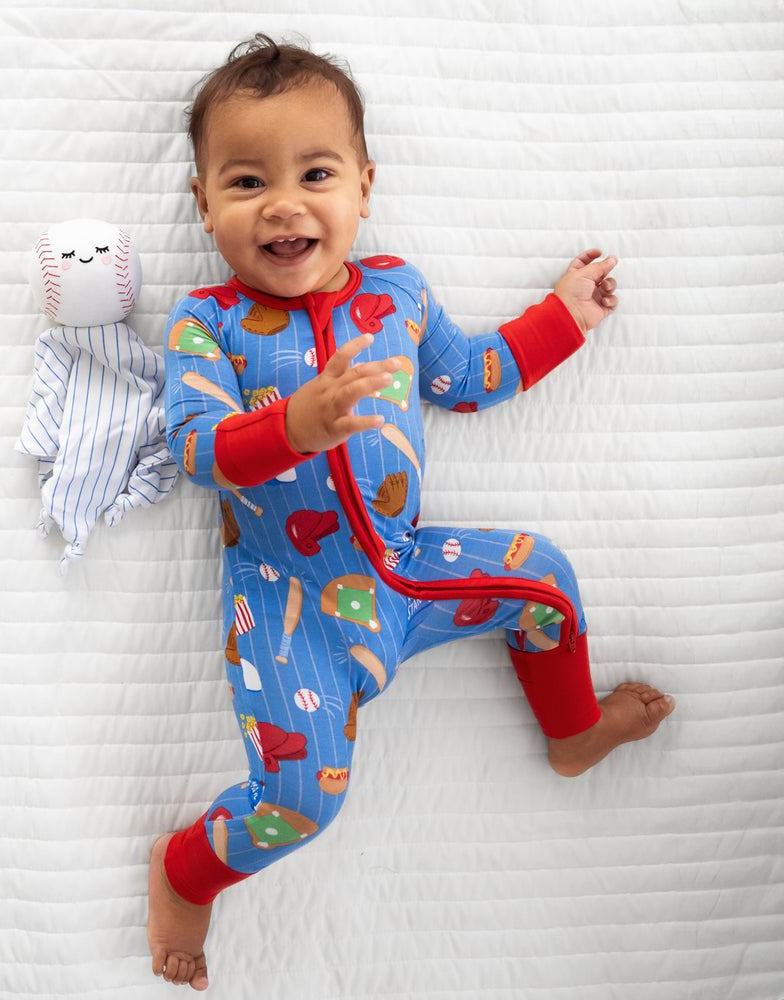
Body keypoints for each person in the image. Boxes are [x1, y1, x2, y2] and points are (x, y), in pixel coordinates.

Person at [150, 33, 675, 990]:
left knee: (544, 576)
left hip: (406, 567)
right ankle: (188, 873)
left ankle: (571, 733)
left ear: (363, 185)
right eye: (244, 182)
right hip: (289, 602)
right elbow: (196, 449)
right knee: (303, 799)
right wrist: (295, 428)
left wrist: (561, 319)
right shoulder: (208, 322)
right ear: (202, 204)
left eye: (315, 172)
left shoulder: (395, 292)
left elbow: (469, 377)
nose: (283, 204)